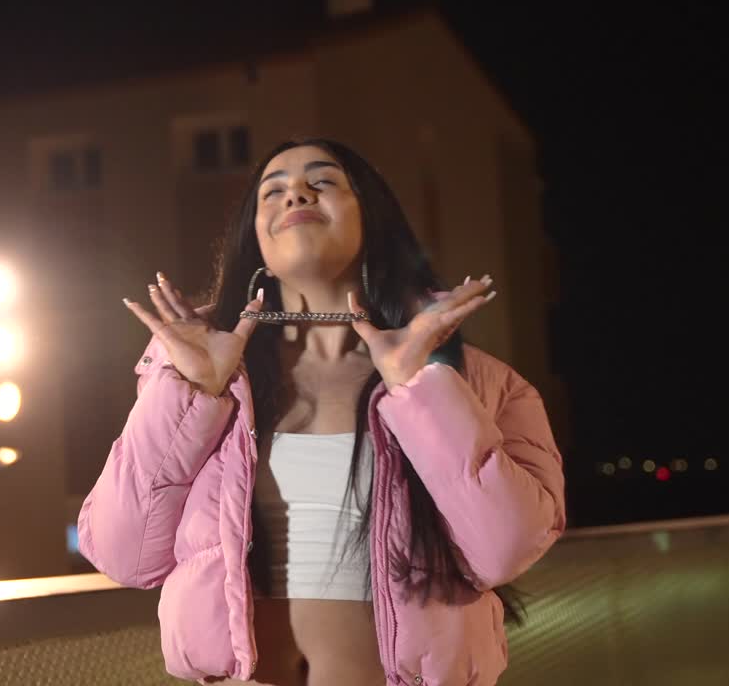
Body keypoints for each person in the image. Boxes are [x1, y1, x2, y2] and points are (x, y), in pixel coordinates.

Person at [78, 138, 565, 686]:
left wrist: (420, 386)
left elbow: (506, 549)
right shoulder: (203, 375)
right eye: (273, 190)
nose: (296, 194)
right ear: (254, 233)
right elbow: (123, 554)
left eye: (323, 180)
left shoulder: (486, 384)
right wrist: (191, 390)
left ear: (371, 213)